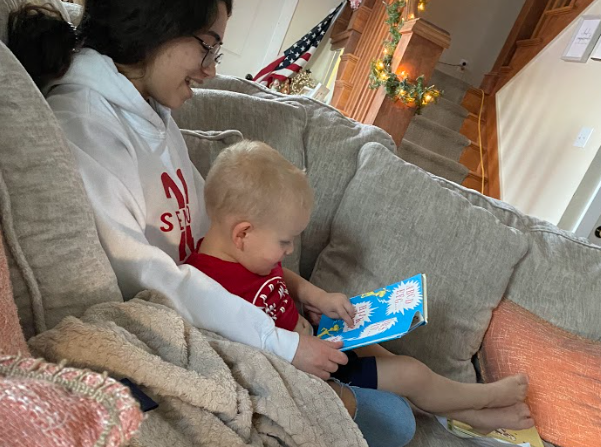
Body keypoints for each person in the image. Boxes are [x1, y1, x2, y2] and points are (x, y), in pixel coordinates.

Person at [7, 0, 416, 446]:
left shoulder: (150, 110)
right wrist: (280, 344)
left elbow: (212, 231)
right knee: (393, 422)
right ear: (154, 27)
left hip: (228, 312)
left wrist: (285, 289)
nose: (212, 68)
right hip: (187, 332)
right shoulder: (86, 123)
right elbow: (153, 279)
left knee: (386, 377)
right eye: (206, 44)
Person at [186, 139, 536, 434]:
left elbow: (279, 275)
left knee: (387, 352)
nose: (289, 251)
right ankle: (481, 398)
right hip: (311, 371)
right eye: (285, 241)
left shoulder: (248, 253)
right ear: (243, 233)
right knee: (410, 374)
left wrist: (315, 295)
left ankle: (471, 415)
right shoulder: (204, 286)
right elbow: (237, 355)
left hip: (323, 338)